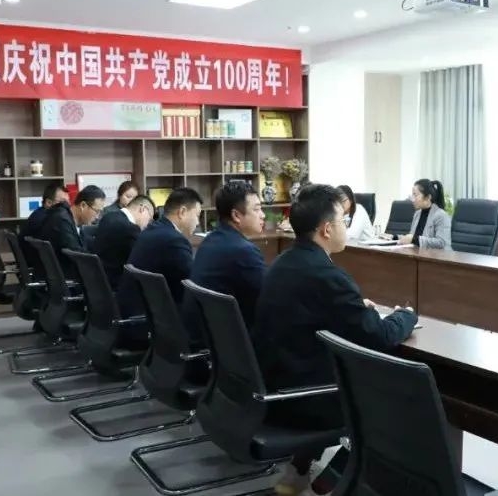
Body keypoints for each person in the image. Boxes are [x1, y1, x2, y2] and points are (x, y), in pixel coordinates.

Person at [253, 184, 418, 496]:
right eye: (344, 220)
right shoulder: (328, 276)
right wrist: (406, 316)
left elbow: (315, 312)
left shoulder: (282, 264)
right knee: (396, 397)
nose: (346, 226)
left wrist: (355, 308)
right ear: (326, 229)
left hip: (275, 388)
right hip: (307, 400)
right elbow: (379, 336)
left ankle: (300, 471)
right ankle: (338, 480)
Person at [125, 187, 203, 342]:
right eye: (197, 215)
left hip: (135, 317)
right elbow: (194, 284)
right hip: (149, 325)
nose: (198, 222)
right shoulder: (174, 240)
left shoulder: (151, 230)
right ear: (182, 212)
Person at [191, 182, 267, 328]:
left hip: (209, 331)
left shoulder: (210, 240)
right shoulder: (243, 251)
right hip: (231, 335)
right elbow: (268, 298)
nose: (262, 215)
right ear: (236, 215)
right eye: (257, 209)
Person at [94, 194, 155, 317]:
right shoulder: (129, 228)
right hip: (119, 287)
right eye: (150, 218)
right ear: (142, 209)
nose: (147, 224)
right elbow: (141, 261)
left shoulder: (108, 217)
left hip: (102, 283)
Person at [35, 185, 106, 279]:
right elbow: (77, 254)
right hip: (65, 278)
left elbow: (84, 244)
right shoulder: (61, 220)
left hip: (61, 274)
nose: (97, 217)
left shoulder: (68, 218)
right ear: (83, 205)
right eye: (97, 211)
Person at [19, 184, 69, 274]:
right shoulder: (45, 220)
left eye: (68, 203)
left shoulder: (40, 214)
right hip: (41, 269)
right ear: (48, 202)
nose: (67, 206)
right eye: (63, 203)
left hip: (36, 266)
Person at [387, 179, 451, 249]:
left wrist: (414, 239)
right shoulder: (417, 214)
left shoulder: (441, 215)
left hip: (437, 255)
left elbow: (441, 242)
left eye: (415, 195)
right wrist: (394, 237)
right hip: (418, 253)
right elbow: (412, 237)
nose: (412, 199)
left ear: (428, 197)